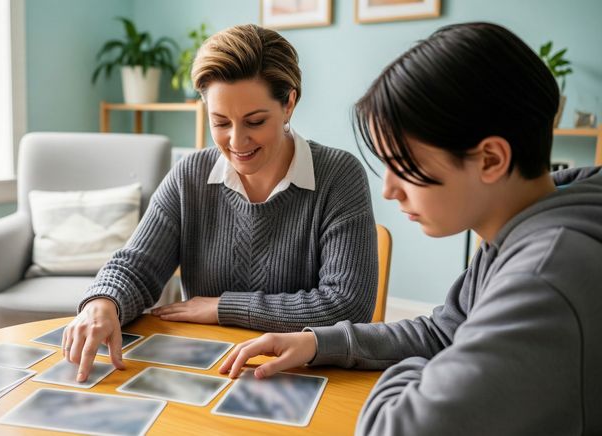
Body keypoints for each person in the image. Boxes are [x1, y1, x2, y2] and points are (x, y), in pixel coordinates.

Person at [219, 22, 602, 435]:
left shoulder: (544, 276)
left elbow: (395, 426)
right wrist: (317, 343)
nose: (388, 190)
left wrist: (436, 370)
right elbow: (444, 331)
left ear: (491, 159)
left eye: (406, 166)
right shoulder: (520, 228)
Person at [63, 24, 379, 382]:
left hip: (299, 373)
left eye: (255, 121)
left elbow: (347, 305)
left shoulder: (339, 176)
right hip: (207, 369)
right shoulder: (190, 176)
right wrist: (102, 303)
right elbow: (136, 266)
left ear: (289, 102)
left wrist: (222, 307)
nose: (237, 140)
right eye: (220, 122)